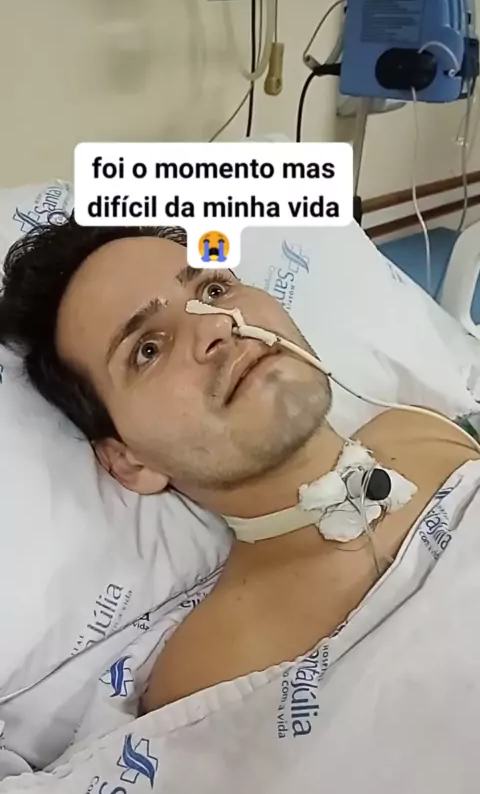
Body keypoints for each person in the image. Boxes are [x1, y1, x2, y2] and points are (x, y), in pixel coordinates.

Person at [0, 214, 477, 717]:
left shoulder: (421, 427)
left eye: (213, 290)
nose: (218, 325)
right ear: (129, 461)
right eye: (148, 350)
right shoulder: (210, 681)